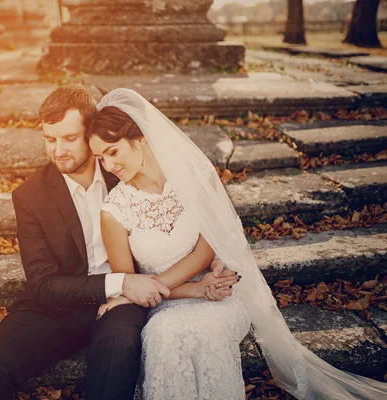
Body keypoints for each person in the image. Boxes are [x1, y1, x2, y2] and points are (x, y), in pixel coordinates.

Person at [86, 88, 387, 400]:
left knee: (201, 332)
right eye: (100, 158)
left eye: (112, 152)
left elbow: (205, 250)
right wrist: (192, 288)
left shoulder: (193, 175)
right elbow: (133, 286)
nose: (108, 166)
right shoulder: (114, 211)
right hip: (164, 305)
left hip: (218, 294)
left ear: (139, 138)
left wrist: (200, 286)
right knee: (165, 336)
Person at [0, 86, 237, 400]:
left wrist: (216, 252)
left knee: (115, 357)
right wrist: (120, 283)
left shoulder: (123, 166)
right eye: (50, 139)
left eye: (69, 138)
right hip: (57, 307)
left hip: (123, 304)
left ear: (91, 133)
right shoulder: (30, 196)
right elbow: (42, 283)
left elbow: (194, 204)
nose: (58, 150)